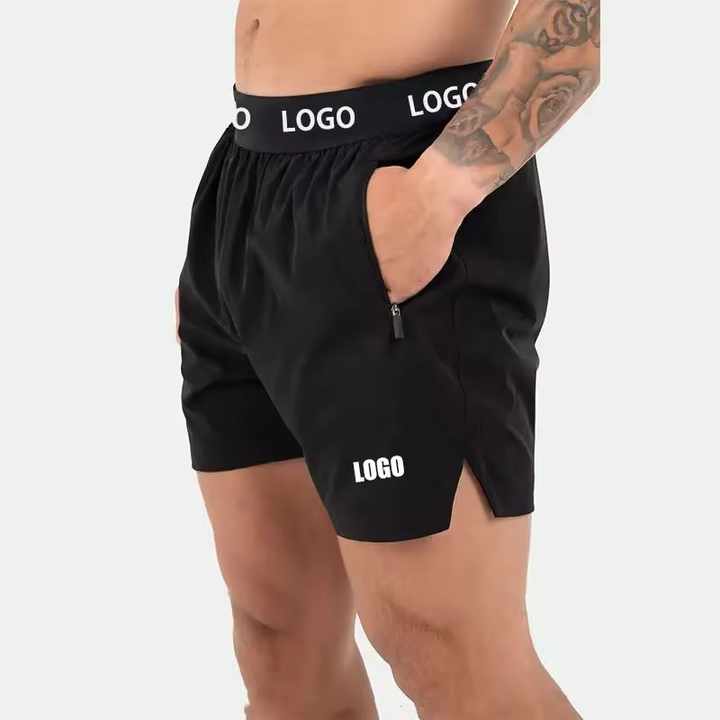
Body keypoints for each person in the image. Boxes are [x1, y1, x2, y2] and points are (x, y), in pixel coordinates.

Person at [177, 1, 600, 717]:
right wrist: (238, 246)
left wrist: (435, 197)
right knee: (281, 643)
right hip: (251, 184)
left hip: (401, 175)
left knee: (446, 650)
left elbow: (572, 26)